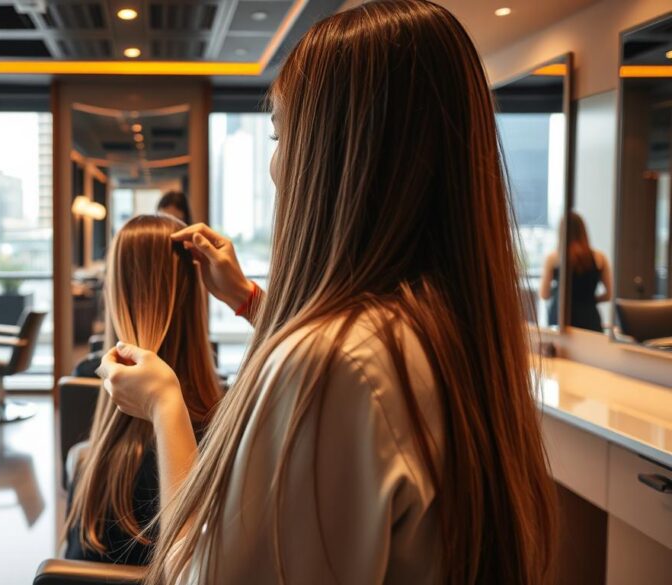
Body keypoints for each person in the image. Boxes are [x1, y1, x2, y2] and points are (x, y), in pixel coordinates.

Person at [96, 1, 556, 583]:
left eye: (282, 133)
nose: (275, 165)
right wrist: (249, 301)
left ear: (332, 155)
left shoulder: (330, 364)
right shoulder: (448, 333)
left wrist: (165, 405)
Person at [64, 214, 223, 565]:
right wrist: (246, 298)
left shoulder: (94, 469)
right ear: (195, 295)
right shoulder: (229, 430)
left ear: (114, 294)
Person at [540, 212, 612, 332]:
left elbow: (544, 294)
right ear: (583, 231)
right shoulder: (600, 258)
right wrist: (590, 300)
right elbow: (609, 294)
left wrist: (558, 292)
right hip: (589, 317)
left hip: (560, 316)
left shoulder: (554, 258)